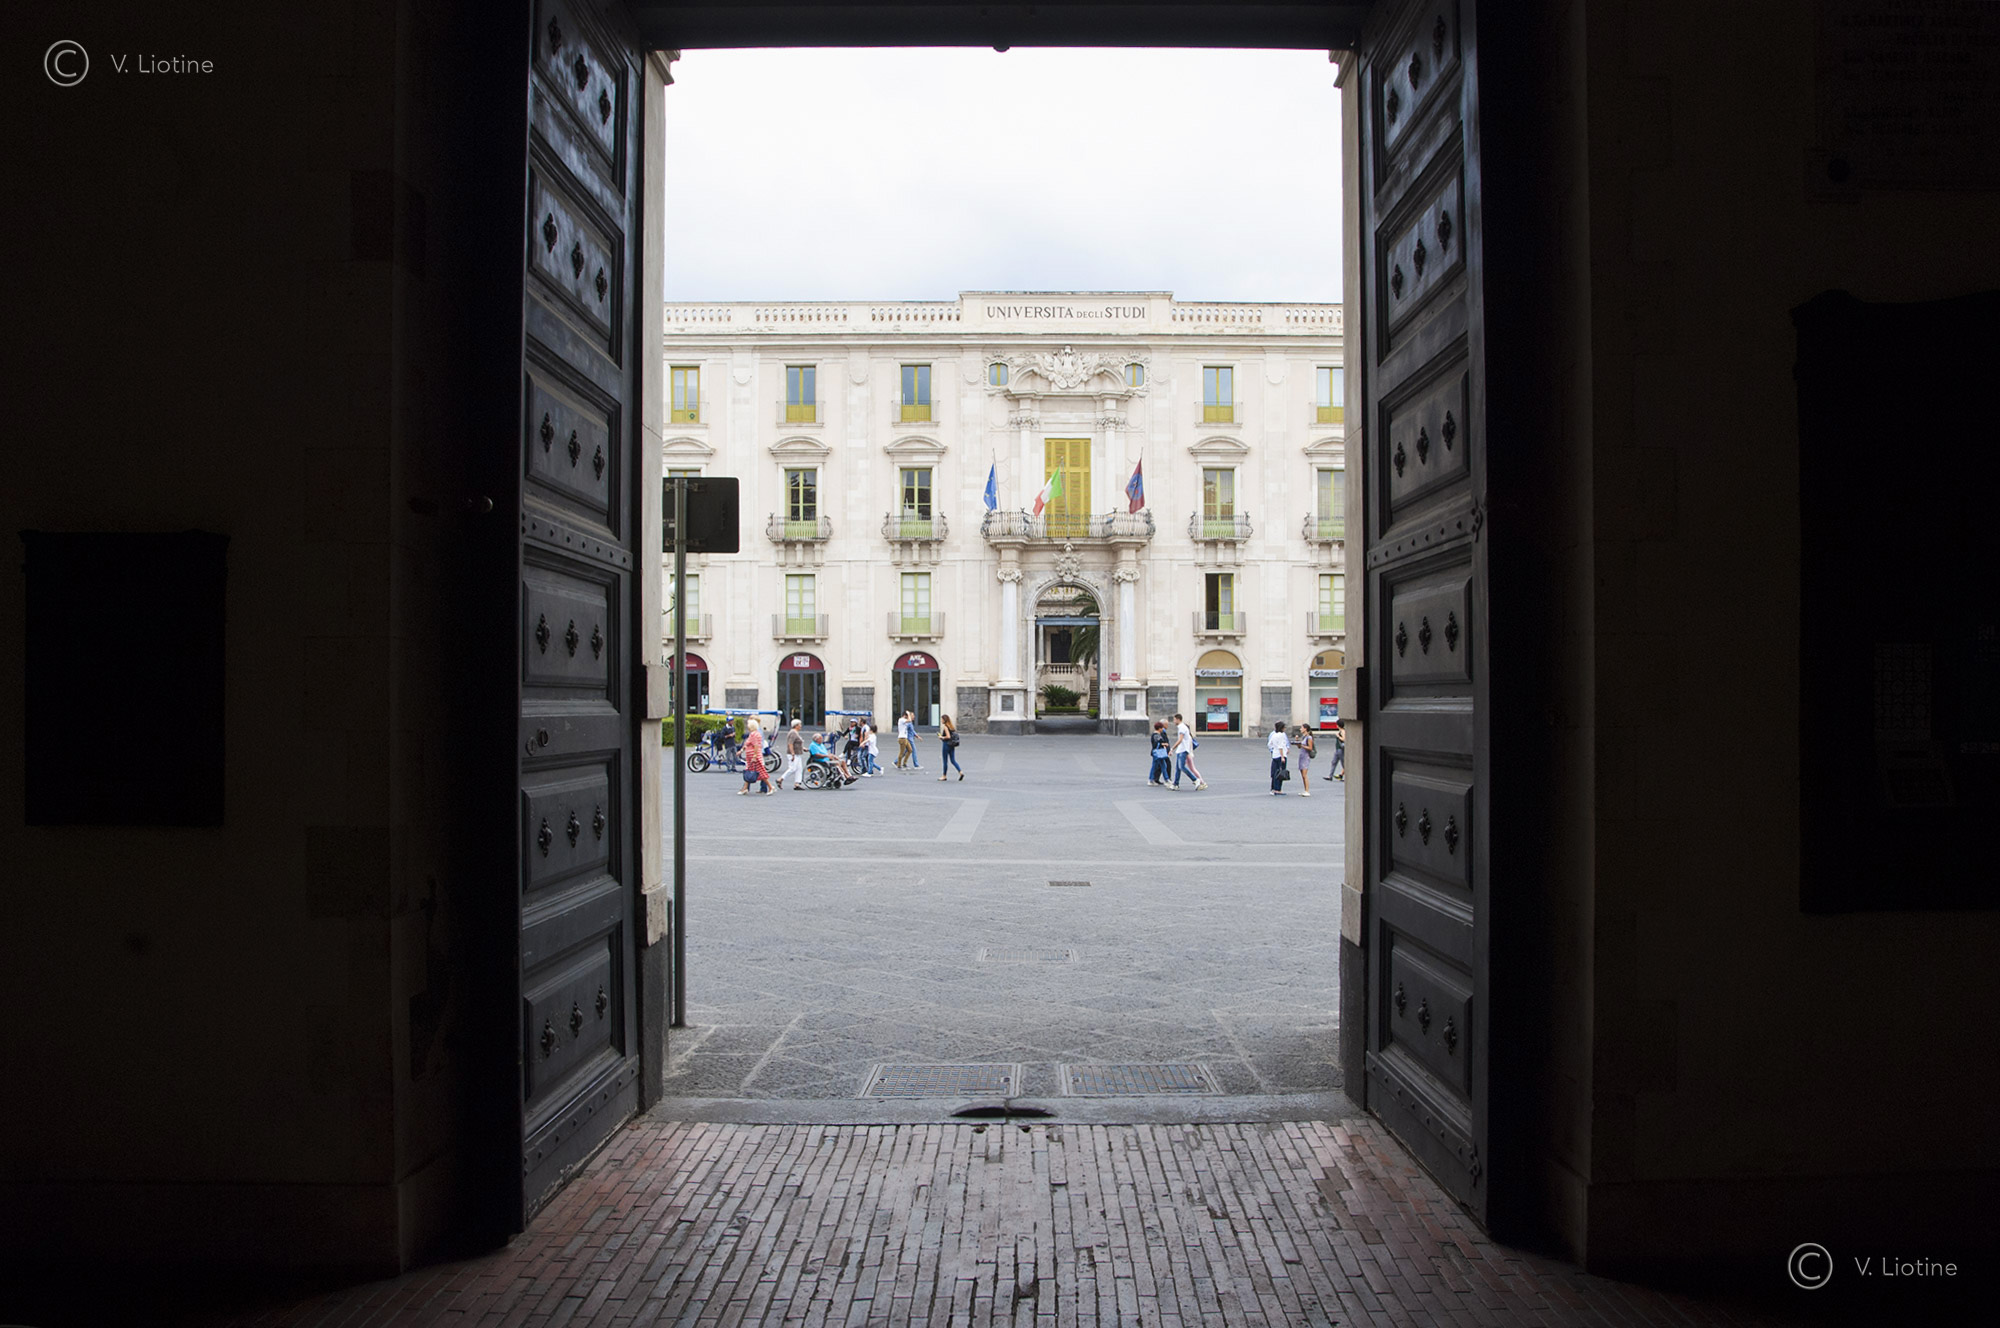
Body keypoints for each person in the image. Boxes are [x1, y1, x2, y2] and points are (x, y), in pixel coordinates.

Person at [1171, 713, 1206, 790]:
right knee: (1178, 768)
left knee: (1181, 767)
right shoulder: (1182, 727)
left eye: (1174, 720)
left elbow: (1180, 740)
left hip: (1183, 750)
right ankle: (1175, 784)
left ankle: (1195, 780)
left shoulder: (1182, 728)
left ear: (1178, 719)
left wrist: (1172, 748)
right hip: (1181, 749)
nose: (1174, 721)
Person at [738, 720, 772, 795]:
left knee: (760, 772)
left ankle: (770, 787)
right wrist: (741, 750)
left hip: (754, 756)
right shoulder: (754, 734)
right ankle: (745, 788)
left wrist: (755, 755)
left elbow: (756, 745)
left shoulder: (754, 734)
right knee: (749, 770)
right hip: (751, 756)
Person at [782, 719, 808, 790]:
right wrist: (792, 753)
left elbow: (797, 743)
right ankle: (781, 779)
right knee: (792, 768)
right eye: (800, 724)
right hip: (794, 753)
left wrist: (803, 748)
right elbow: (790, 743)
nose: (801, 726)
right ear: (796, 725)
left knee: (799, 768)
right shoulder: (793, 733)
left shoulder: (795, 732)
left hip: (798, 753)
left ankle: (797, 783)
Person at [1267, 720, 1291, 795]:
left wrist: (1274, 749)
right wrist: (1282, 756)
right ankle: (1278, 789)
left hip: (1275, 755)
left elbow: (1269, 744)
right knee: (1281, 772)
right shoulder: (1281, 735)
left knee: (1275, 772)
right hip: (1280, 755)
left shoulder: (1274, 735)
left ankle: (1273, 788)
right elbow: (1280, 746)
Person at [938, 714, 963, 780]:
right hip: (952, 744)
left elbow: (948, 736)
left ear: (944, 720)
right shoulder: (951, 727)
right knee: (953, 760)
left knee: (945, 761)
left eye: (942, 719)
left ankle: (944, 776)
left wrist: (942, 737)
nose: (941, 720)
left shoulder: (946, 727)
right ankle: (960, 771)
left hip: (946, 744)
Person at [1293, 723, 1316, 797]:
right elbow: (1300, 747)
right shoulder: (1304, 737)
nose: (1300, 729)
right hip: (1302, 756)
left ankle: (1307, 790)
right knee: (1302, 774)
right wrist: (1297, 741)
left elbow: (1310, 748)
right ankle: (1305, 789)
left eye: (1301, 728)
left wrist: (1302, 745)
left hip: (1306, 757)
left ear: (1305, 729)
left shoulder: (1309, 737)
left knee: (1304, 774)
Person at [1148, 720, 1171, 785]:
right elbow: (1157, 743)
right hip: (1158, 752)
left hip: (1156, 752)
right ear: (1159, 728)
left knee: (1161, 765)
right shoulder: (1156, 735)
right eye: (1162, 728)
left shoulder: (1155, 734)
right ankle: (1165, 779)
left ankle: (1165, 779)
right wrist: (1164, 744)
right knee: (1158, 766)